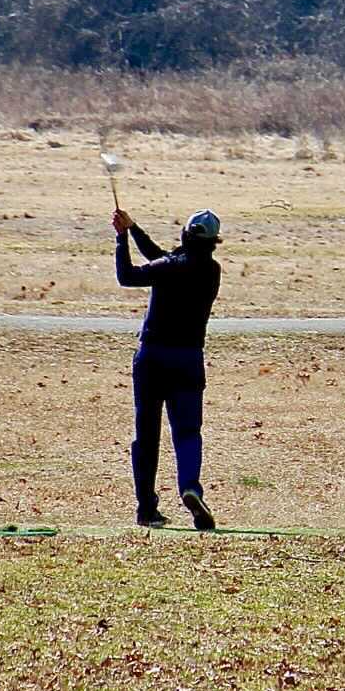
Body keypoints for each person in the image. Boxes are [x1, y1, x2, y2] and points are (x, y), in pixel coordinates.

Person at [113, 206, 224, 530]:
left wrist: (122, 238)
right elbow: (163, 260)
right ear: (214, 242)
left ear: (185, 236)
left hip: (152, 360)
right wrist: (134, 229)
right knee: (188, 433)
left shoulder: (167, 269)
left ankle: (146, 508)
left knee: (146, 436)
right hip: (188, 360)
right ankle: (190, 486)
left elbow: (129, 275)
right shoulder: (212, 272)